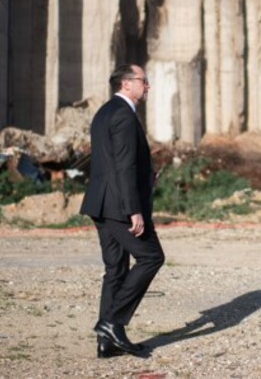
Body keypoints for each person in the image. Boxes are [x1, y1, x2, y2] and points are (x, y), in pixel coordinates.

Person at [80, 64, 164, 358]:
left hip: (100, 203)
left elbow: (112, 162)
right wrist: (134, 210)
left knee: (115, 270)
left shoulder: (104, 112)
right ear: (127, 84)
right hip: (119, 207)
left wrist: (146, 176)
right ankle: (111, 322)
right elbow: (123, 165)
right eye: (144, 81)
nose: (148, 86)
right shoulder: (124, 115)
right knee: (152, 256)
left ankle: (107, 344)